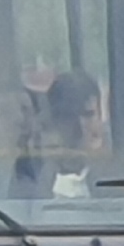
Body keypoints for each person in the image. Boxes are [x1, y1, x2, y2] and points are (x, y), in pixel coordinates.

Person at [42, 71, 107, 199]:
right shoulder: (34, 181)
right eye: (70, 117)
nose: (81, 127)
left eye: (89, 115)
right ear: (54, 122)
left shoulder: (115, 180)